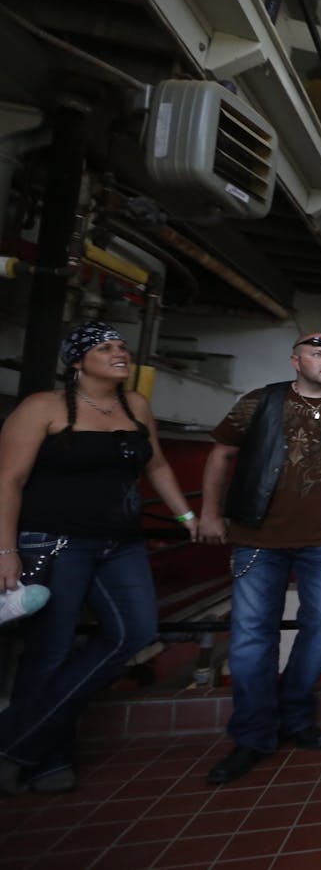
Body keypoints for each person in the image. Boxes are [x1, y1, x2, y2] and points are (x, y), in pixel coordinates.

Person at [0, 321, 197, 795]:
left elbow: (157, 465)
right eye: (106, 347)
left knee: (135, 632)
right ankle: (48, 760)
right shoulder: (41, 407)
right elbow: (8, 480)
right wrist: (5, 549)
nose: (119, 353)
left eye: (121, 347)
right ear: (76, 361)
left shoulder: (136, 405)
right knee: (49, 651)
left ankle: (14, 742)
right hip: (53, 543)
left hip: (121, 544)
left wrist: (185, 515)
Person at [198, 332, 321, 784]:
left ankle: (294, 716)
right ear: (295, 360)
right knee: (252, 637)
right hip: (255, 537)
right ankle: (253, 734)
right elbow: (221, 454)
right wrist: (209, 514)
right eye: (317, 353)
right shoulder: (260, 401)